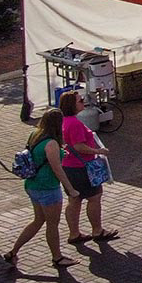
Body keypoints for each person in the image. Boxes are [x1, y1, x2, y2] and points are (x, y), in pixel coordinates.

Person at [5, 109, 79, 272]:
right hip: (48, 188)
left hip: (32, 185)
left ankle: (14, 251)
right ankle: (57, 257)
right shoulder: (51, 143)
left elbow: (41, 157)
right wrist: (71, 189)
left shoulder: (35, 134)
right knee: (52, 225)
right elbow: (57, 169)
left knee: (38, 220)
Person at [57, 89, 116, 246]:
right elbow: (78, 146)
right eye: (80, 100)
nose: (83, 102)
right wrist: (98, 151)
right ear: (72, 105)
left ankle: (74, 233)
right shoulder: (75, 124)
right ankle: (97, 230)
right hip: (81, 168)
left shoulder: (63, 121)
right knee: (94, 197)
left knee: (74, 200)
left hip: (68, 167)